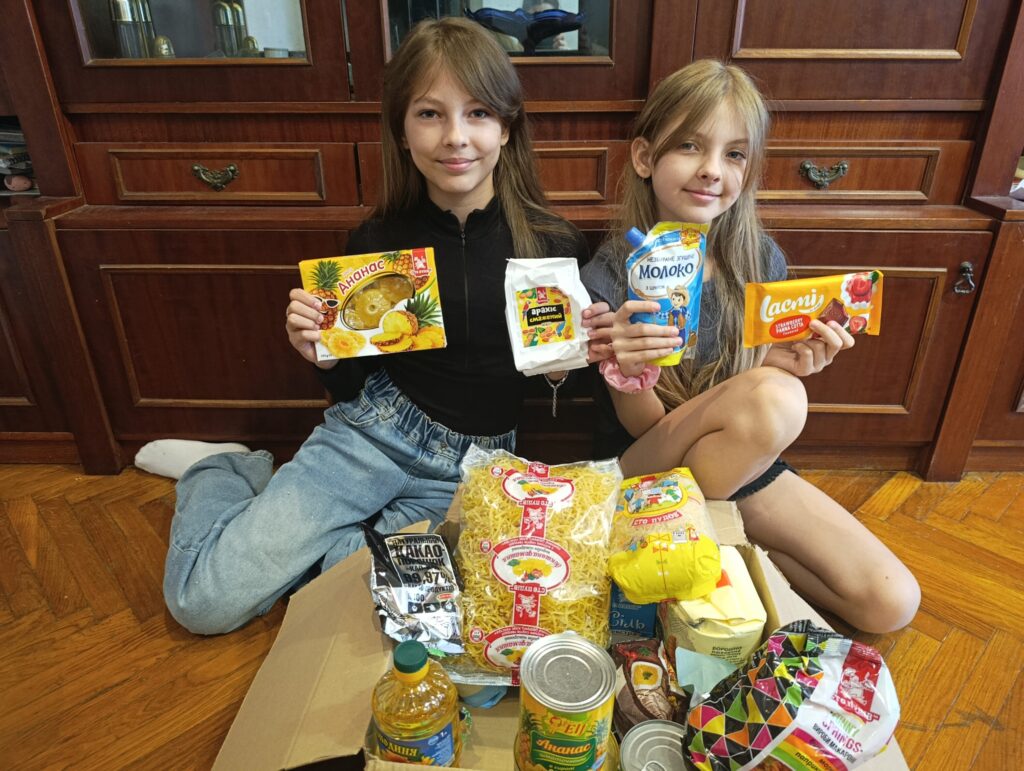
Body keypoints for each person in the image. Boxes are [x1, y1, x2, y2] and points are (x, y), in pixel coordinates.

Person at [137, 17, 607, 635]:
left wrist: (579, 359)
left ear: (506, 127)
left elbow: (556, 383)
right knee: (202, 607)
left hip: (471, 470)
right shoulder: (377, 242)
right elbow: (353, 382)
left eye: (478, 113)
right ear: (402, 132)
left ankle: (308, 544)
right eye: (430, 114)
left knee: (409, 615)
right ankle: (221, 472)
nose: (456, 137)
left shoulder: (552, 245)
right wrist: (325, 357)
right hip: (369, 437)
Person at [581, 60, 919, 634]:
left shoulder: (760, 262)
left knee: (891, 602)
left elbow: (749, 394)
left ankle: (731, 550)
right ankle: (700, 551)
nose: (711, 170)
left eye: (734, 154)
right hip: (644, 475)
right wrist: (629, 370)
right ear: (644, 158)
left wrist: (788, 361)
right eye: (689, 145)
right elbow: (644, 427)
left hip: (738, 466)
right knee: (776, 398)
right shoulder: (610, 276)